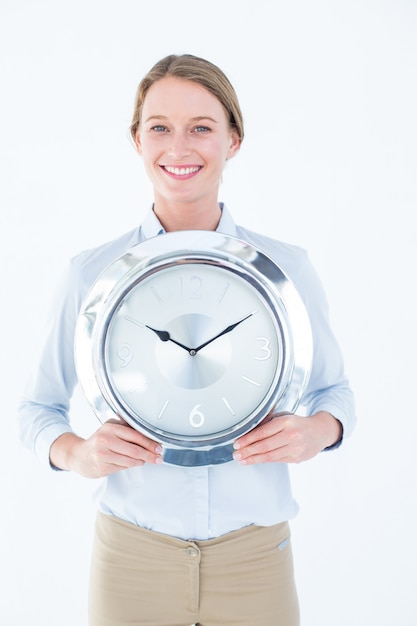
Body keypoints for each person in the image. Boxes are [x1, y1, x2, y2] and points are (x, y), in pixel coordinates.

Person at [18, 54, 356, 626]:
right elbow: (36, 410)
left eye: (201, 127)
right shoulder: (89, 274)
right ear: (137, 140)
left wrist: (316, 432)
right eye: (160, 128)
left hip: (255, 557)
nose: (179, 147)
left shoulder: (288, 268)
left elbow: (336, 393)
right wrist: (76, 453)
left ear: (234, 140)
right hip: (131, 559)